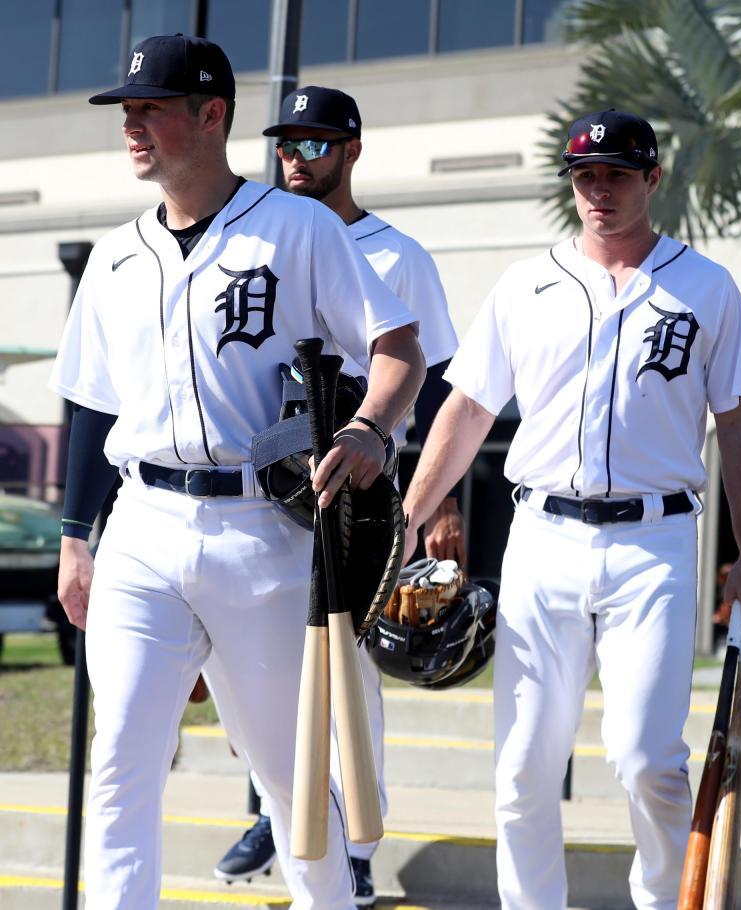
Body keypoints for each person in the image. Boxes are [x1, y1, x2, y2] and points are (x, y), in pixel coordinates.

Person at [50, 34, 425, 910]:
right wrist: (75, 539)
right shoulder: (115, 255)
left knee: (291, 780)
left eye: (152, 108)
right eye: (127, 112)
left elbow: (397, 347)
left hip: (265, 532)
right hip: (143, 528)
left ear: (211, 114)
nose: (133, 125)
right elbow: (90, 406)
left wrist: (372, 426)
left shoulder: (297, 229)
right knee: (120, 767)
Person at [399, 108, 741, 909]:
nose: (597, 190)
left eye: (616, 174)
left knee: (648, 760)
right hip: (542, 538)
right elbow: (466, 411)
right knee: (525, 764)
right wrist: (408, 516)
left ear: (652, 179)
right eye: (583, 176)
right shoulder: (524, 284)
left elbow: (740, 425)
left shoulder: (706, 286)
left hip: (657, 540)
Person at [213, 85, 466, 905]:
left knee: (346, 663)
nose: (296, 158)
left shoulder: (400, 254)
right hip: (269, 481)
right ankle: (280, 809)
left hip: (359, 487)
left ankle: (355, 835)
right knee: (260, 664)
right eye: (287, 144)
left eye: (315, 144)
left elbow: (428, 384)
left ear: (352, 150)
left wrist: (442, 499)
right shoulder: (258, 244)